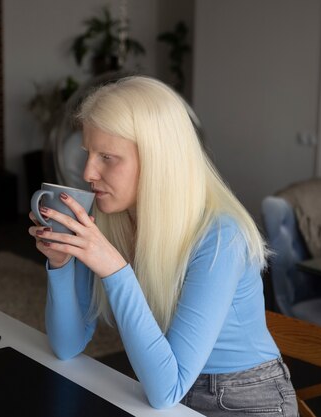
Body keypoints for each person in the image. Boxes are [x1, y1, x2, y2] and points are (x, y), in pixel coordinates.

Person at [28, 76, 298, 415]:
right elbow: (67, 345)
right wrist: (62, 263)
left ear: (158, 159)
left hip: (244, 399)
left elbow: (166, 389)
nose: (88, 172)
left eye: (106, 157)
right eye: (88, 154)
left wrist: (114, 268)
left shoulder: (220, 236)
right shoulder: (113, 218)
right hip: (164, 392)